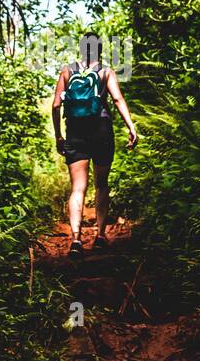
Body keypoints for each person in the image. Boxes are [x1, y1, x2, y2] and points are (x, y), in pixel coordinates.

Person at [51, 32, 138, 257]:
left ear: (81, 49)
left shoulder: (67, 71)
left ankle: (76, 239)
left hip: (75, 131)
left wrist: (58, 135)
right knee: (101, 185)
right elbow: (118, 99)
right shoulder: (105, 71)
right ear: (99, 50)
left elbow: (55, 105)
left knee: (78, 188)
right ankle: (99, 236)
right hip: (101, 129)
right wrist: (131, 127)